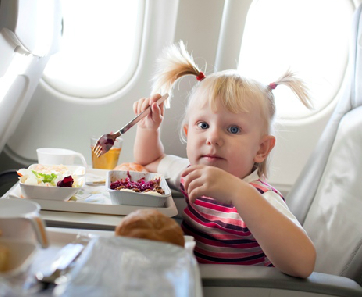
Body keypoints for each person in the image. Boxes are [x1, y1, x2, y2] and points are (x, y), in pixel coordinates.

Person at [132, 41, 316, 278]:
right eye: (203, 125)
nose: (213, 138)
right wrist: (149, 128)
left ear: (261, 149)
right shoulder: (193, 174)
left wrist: (238, 193)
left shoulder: (260, 198)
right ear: (188, 134)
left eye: (233, 130)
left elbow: (303, 264)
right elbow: (150, 161)